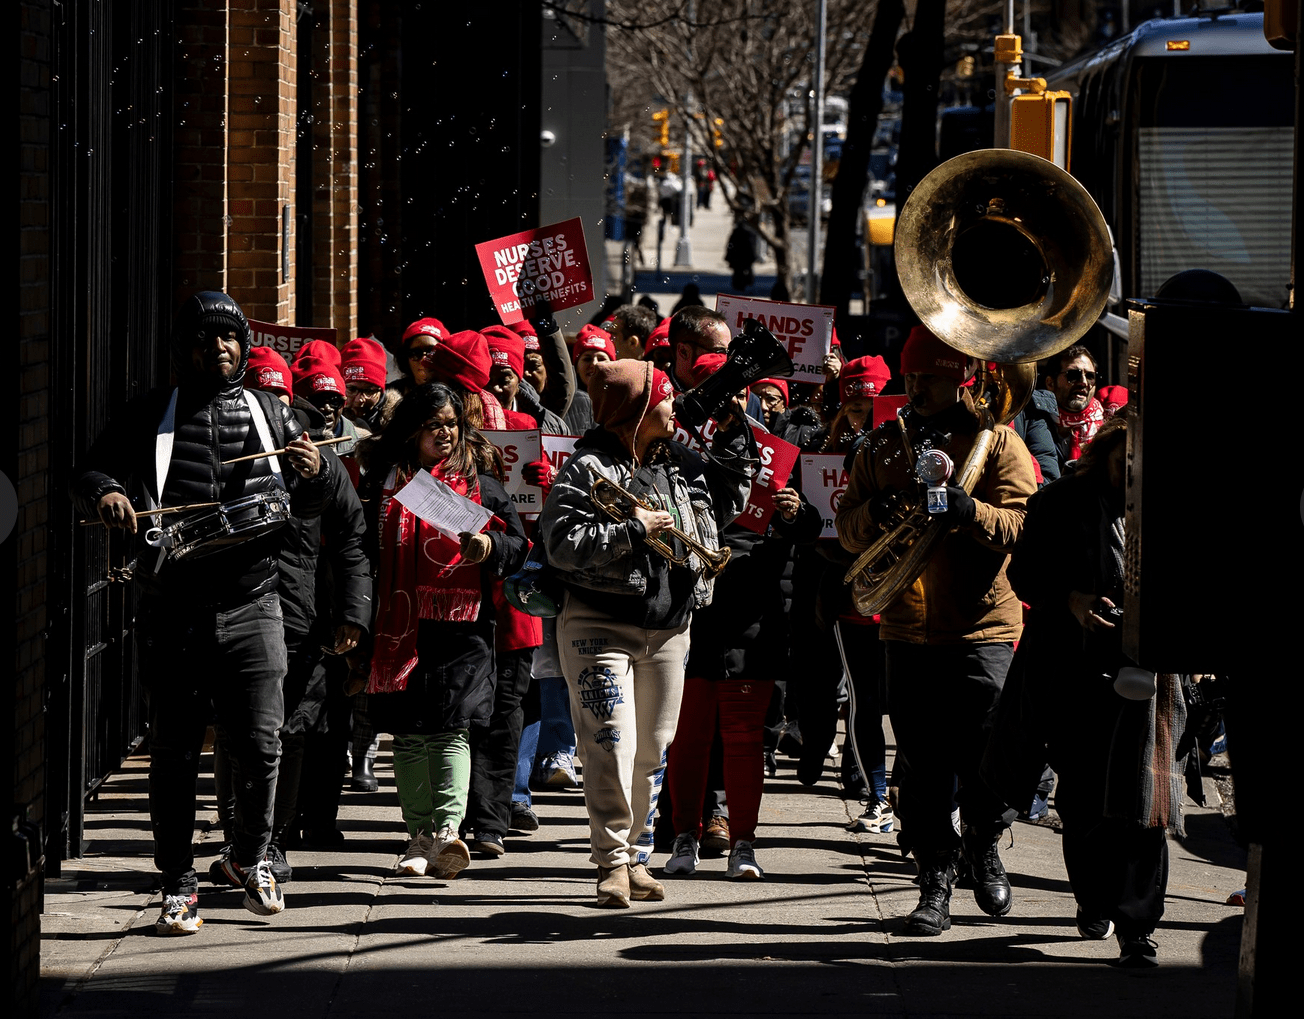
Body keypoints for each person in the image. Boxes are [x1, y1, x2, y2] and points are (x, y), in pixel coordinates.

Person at [73, 290, 330, 934]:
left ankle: (250, 858)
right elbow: (90, 469)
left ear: (244, 347)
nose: (217, 348)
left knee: (261, 742)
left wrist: (317, 468)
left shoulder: (276, 413)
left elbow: (322, 496)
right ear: (183, 350)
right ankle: (177, 883)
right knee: (175, 749)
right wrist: (107, 491)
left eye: (229, 338)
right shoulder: (148, 413)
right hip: (175, 607)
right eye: (202, 339)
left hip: (255, 600)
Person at [835, 325, 1035, 937]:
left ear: (959, 377)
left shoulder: (997, 445)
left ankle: (985, 843)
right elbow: (846, 529)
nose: (914, 387)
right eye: (912, 376)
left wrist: (965, 507)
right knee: (920, 766)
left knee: (986, 757)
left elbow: (1023, 528)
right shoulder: (880, 448)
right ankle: (934, 882)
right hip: (906, 629)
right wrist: (880, 513)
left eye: (928, 377)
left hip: (981, 628)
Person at [538, 359, 755, 907]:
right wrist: (633, 531)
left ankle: (637, 855)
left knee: (653, 750)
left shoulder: (675, 462)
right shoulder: (586, 468)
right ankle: (611, 861)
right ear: (637, 410)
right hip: (597, 624)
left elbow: (727, 507)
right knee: (610, 744)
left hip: (669, 627)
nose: (672, 407)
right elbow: (560, 545)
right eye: (663, 397)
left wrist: (735, 442)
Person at [997, 413, 1186, 967]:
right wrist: (1074, 600)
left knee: (1143, 803)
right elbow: (1024, 576)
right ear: (1104, 454)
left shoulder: (1173, 502)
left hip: (1151, 675)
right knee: (1082, 799)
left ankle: (1137, 927)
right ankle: (1092, 899)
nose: (1133, 475)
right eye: (1123, 461)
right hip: (1074, 671)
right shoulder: (1060, 502)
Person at [358, 383, 529, 880]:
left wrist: (489, 547)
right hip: (399, 624)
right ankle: (419, 834)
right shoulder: (383, 482)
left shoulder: (484, 485)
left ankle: (449, 832)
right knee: (409, 735)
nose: (446, 434)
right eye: (435, 425)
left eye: (452, 424)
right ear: (412, 431)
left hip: (463, 629)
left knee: (452, 729)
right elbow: (359, 547)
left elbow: (518, 546)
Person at [664, 355, 821, 881]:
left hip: (753, 612)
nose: (730, 404)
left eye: (737, 393)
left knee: (743, 735)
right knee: (689, 734)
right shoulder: (675, 445)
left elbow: (814, 524)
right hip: (693, 609)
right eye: (718, 392)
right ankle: (685, 834)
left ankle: (743, 843)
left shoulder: (777, 452)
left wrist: (796, 511)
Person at [1043, 345, 1103, 471]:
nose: (1084, 383)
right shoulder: (1034, 422)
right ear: (1050, 383)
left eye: (1090, 376)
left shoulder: (1107, 424)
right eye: (1073, 375)